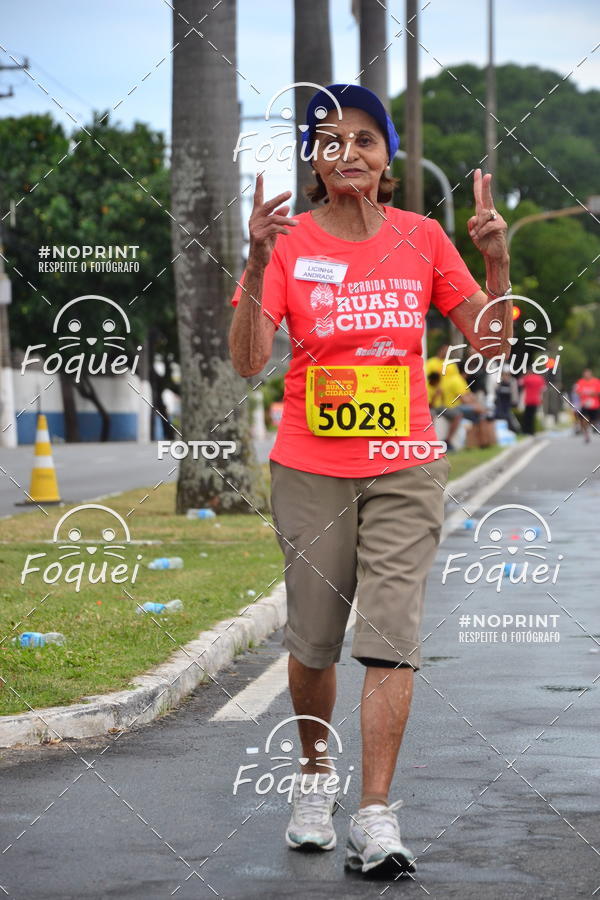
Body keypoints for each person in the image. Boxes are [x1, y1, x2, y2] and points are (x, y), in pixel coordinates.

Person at [228, 83, 512, 877]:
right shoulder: (288, 244)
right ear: (315, 163)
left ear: (388, 157)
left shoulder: (422, 238)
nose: (347, 151)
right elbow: (250, 359)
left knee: (390, 639)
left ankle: (376, 817)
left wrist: (495, 258)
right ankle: (314, 778)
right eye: (330, 140)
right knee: (314, 641)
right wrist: (253, 262)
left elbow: (489, 346)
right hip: (309, 468)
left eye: (364, 138)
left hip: (405, 467)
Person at [427, 364, 485, 450]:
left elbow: (469, 396)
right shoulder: (455, 381)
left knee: (478, 415)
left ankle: (476, 443)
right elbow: (430, 405)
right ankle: (448, 440)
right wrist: (477, 407)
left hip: (445, 407)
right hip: (446, 407)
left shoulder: (444, 384)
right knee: (462, 414)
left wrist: (477, 406)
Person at [573, 368, 600, 442]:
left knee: (594, 421)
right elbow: (577, 392)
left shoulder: (596, 382)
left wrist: (592, 394)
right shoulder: (580, 382)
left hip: (595, 405)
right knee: (584, 419)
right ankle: (586, 434)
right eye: (585, 374)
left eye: (588, 374)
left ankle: (591, 427)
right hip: (584, 405)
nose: (587, 375)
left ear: (591, 374)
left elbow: (598, 392)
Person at [519, 366, 546, 435]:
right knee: (532, 416)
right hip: (536, 400)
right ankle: (532, 431)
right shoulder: (540, 378)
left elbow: (520, 383)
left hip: (528, 400)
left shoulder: (527, 378)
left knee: (527, 416)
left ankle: (526, 430)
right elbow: (543, 389)